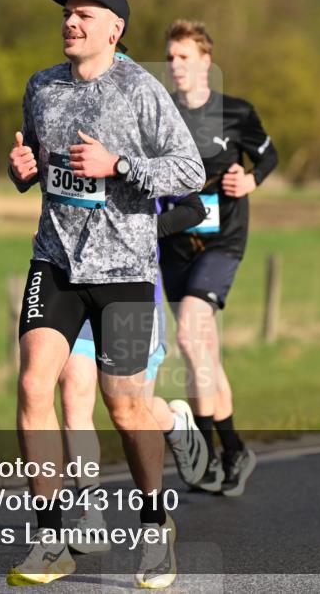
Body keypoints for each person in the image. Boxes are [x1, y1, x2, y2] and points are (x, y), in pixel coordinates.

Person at [6, 0, 205, 588]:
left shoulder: (139, 90)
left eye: (83, 15)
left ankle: (154, 526)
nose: (70, 22)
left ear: (113, 30)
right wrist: (24, 171)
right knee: (35, 384)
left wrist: (119, 164)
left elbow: (189, 171)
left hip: (123, 270)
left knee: (124, 406)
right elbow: (39, 163)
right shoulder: (42, 87)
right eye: (67, 14)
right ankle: (49, 539)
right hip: (57, 261)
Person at [160, 19, 279, 497]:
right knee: (203, 352)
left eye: (183, 57)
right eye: (170, 58)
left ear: (206, 61)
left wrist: (250, 180)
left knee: (189, 333)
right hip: (174, 244)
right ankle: (231, 451)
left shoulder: (236, 113)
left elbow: (268, 156)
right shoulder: (161, 113)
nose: (175, 66)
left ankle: (207, 457)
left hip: (223, 241)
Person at [59, 188, 208, 555]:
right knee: (73, 396)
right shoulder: (63, 132)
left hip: (131, 289)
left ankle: (174, 423)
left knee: (131, 408)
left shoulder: (146, 135)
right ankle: (91, 514)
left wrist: (138, 231)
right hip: (73, 285)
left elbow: (194, 208)